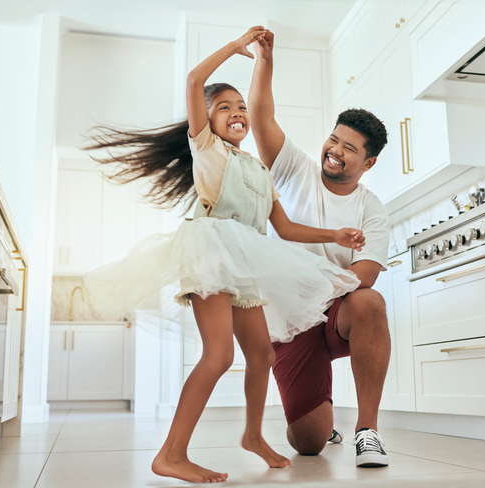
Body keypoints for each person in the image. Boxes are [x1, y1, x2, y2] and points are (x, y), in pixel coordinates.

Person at [84, 27, 369, 483]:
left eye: (241, 107)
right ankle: (171, 454)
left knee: (262, 357)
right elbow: (196, 81)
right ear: (208, 121)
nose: (237, 113)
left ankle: (253, 435)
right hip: (212, 255)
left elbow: (284, 228)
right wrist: (236, 48)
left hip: (248, 265)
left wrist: (335, 233)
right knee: (216, 356)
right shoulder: (208, 150)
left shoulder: (259, 167)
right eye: (225, 108)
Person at [248, 30, 392, 468]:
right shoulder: (294, 168)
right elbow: (260, 115)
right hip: (289, 318)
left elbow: (363, 277)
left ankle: (367, 430)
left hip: (336, 314)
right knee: (307, 443)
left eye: (349, 149)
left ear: (367, 163)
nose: (335, 151)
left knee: (369, 301)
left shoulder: (371, 209)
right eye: (334, 140)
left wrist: (313, 283)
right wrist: (264, 60)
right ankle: (321, 419)